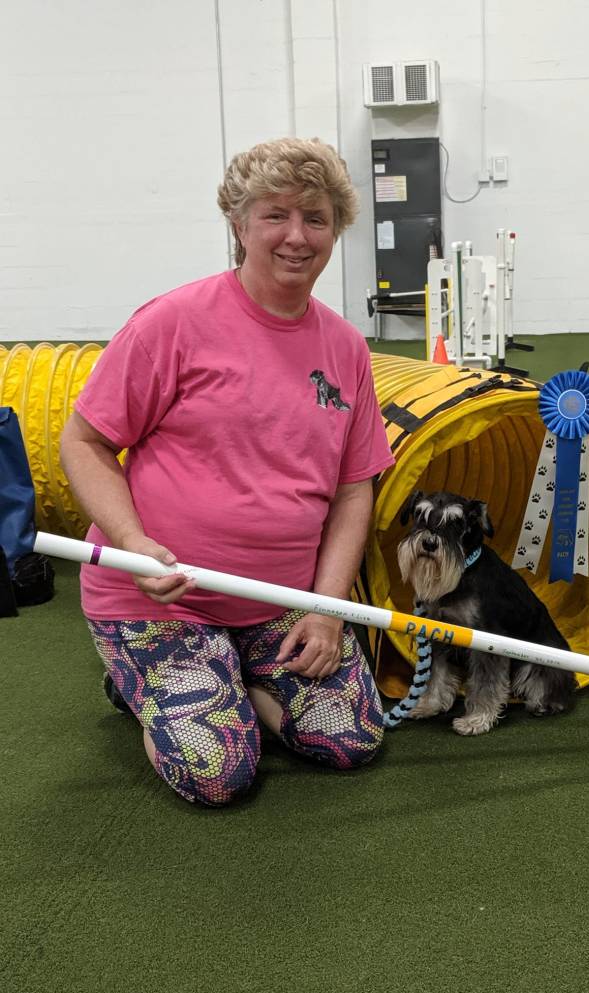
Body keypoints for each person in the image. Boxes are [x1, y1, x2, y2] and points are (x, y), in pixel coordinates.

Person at [60, 137, 395, 806]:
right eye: (276, 215)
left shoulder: (345, 347)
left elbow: (353, 489)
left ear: (336, 230)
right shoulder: (171, 323)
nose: (297, 236)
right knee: (218, 774)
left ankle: (226, 679)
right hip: (164, 602)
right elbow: (84, 441)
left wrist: (326, 612)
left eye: (316, 218)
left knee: (350, 740)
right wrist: (131, 542)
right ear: (240, 225)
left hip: (278, 604)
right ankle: (154, 683)